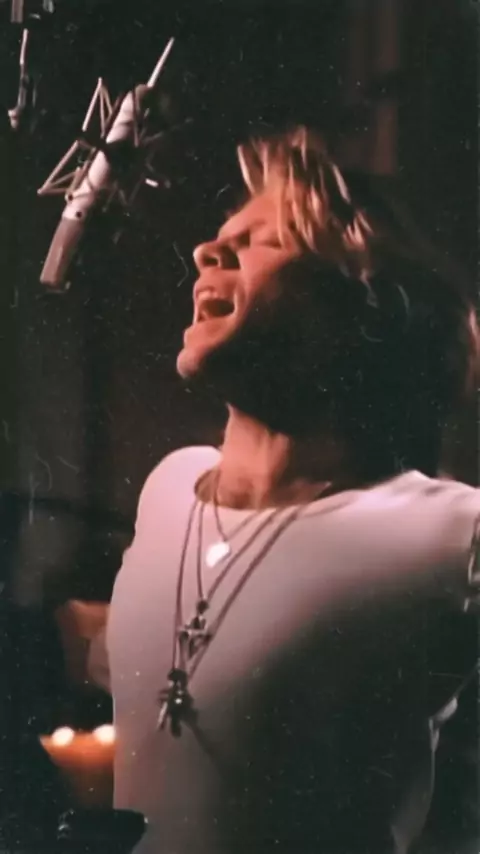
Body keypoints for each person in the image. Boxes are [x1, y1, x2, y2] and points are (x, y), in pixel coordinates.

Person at [96, 128, 479, 853]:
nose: (207, 252)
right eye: (219, 237)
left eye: (261, 241)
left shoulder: (454, 532)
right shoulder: (168, 487)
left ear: (360, 305)